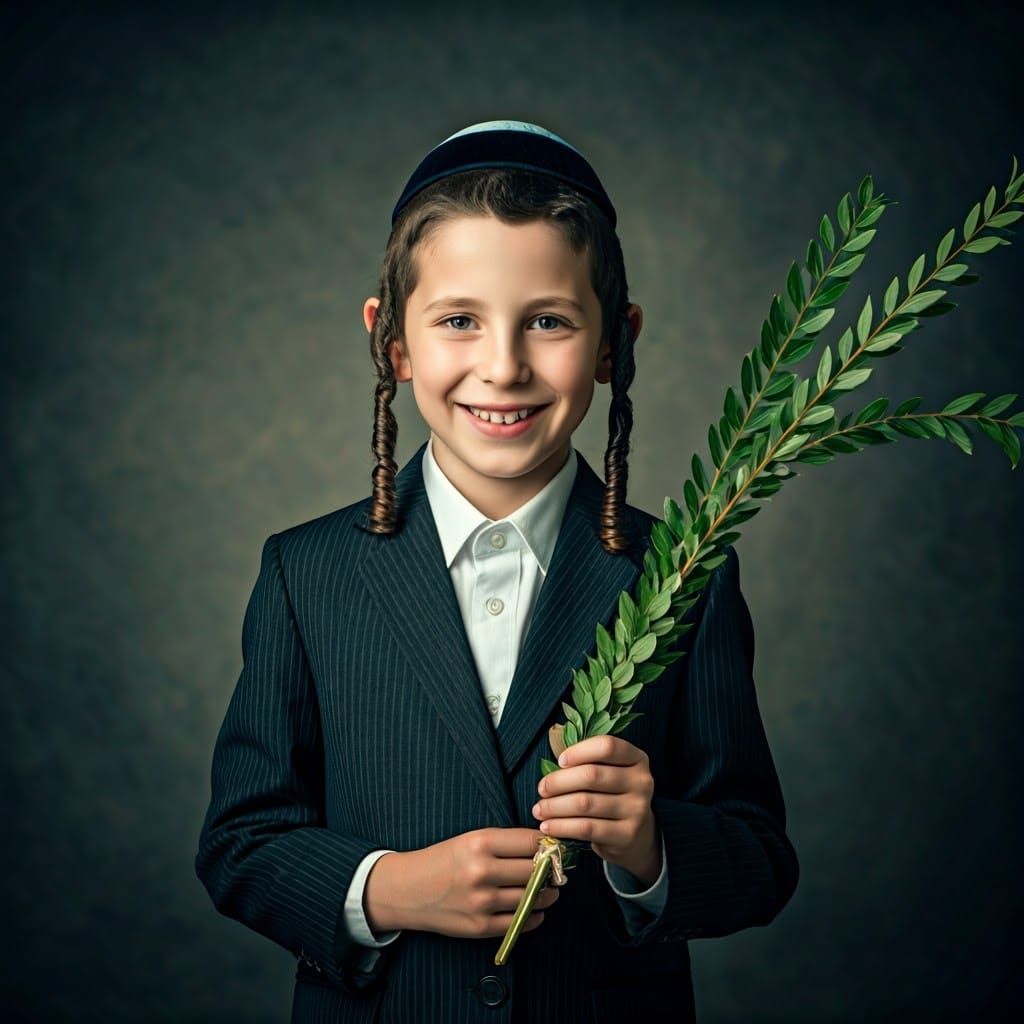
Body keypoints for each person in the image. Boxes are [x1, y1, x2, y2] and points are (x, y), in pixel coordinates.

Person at [195, 119, 799, 1024]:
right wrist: (391, 888)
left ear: (614, 342)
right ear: (391, 342)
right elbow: (241, 843)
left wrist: (651, 845)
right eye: (459, 321)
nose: (504, 367)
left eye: (548, 321)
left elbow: (757, 860)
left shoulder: (684, 575)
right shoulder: (305, 574)